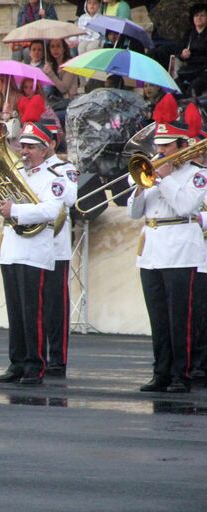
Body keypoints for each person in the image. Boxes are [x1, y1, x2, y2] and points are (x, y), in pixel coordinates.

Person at [0, 122, 67, 386]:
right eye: (23, 146)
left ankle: (35, 364)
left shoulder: (53, 177)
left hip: (34, 250)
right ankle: (17, 362)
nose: (25, 151)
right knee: (16, 311)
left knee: (34, 311)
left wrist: (17, 211)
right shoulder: (14, 172)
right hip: (11, 249)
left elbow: (51, 211)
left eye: (31, 147)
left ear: (44, 150)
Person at [128, 122, 206, 393]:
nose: (160, 150)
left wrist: (163, 178)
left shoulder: (198, 174)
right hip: (151, 251)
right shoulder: (151, 170)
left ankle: (181, 375)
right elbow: (134, 213)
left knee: (180, 317)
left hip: (181, 250)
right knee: (158, 317)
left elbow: (186, 205)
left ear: (182, 147)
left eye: (167, 145)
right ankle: (160, 372)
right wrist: (140, 187)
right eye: (158, 145)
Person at [42, 131, 78, 377]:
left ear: (52, 144)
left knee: (55, 304)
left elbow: (71, 198)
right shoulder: (25, 169)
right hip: (28, 246)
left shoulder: (64, 168)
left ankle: (57, 357)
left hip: (55, 246)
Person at [176, 4, 207, 98]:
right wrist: (183, 54)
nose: (199, 18)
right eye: (196, 15)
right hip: (189, 69)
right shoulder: (189, 33)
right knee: (176, 85)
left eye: (202, 15)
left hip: (204, 69)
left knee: (194, 87)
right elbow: (179, 53)